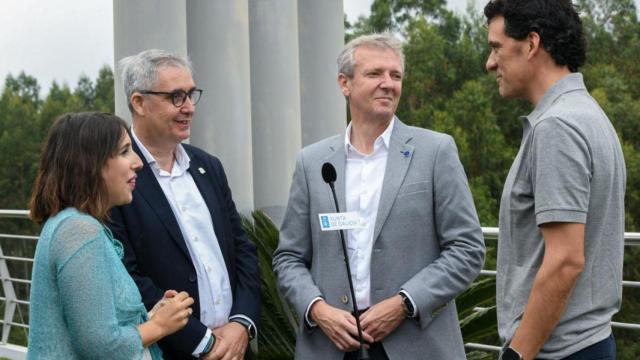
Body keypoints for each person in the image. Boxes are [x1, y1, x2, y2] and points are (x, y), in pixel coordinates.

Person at [273, 33, 485, 360]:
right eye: (375, 74)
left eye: (395, 75)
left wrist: (405, 303)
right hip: (331, 346)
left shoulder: (435, 151)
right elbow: (288, 259)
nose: (388, 83)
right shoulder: (312, 162)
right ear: (345, 83)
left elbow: (468, 249)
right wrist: (317, 310)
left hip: (416, 344)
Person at [484, 1, 626, 359]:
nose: (490, 63)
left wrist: (517, 354)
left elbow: (565, 260)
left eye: (496, 48)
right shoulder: (589, 114)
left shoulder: (557, 127)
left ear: (531, 44)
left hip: (558, 351)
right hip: (589, 343)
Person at [108, 49, 260, 360]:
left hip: (235, 347)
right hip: (170, 351)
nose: (189, 107)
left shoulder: (208, 166)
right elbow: (126, 275)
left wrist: (241, 324)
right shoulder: (115, 174)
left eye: (191, 94)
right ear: (138, 102)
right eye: (176, 97)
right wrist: (203, 341)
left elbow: (242, 249)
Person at [27, 112, 194, 359]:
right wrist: (159, 326)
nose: (137, 162)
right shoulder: (79, 231)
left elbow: (98, 324)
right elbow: (100, 346)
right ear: (90, 163)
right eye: (125, 151)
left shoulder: (76, 225)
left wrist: (151, 316)